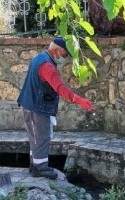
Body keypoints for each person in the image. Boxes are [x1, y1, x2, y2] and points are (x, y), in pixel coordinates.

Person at [17, 36, 94, 179]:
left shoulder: (39, 58)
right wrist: (78, 100)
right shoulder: (47, 66)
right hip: (36, 107)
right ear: (57, 51)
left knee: (36, 137)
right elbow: (59, 88)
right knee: (41, 137)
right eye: (65, 55)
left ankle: (35, 166)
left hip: (31, 104)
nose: (65, 59)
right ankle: (40, 168)